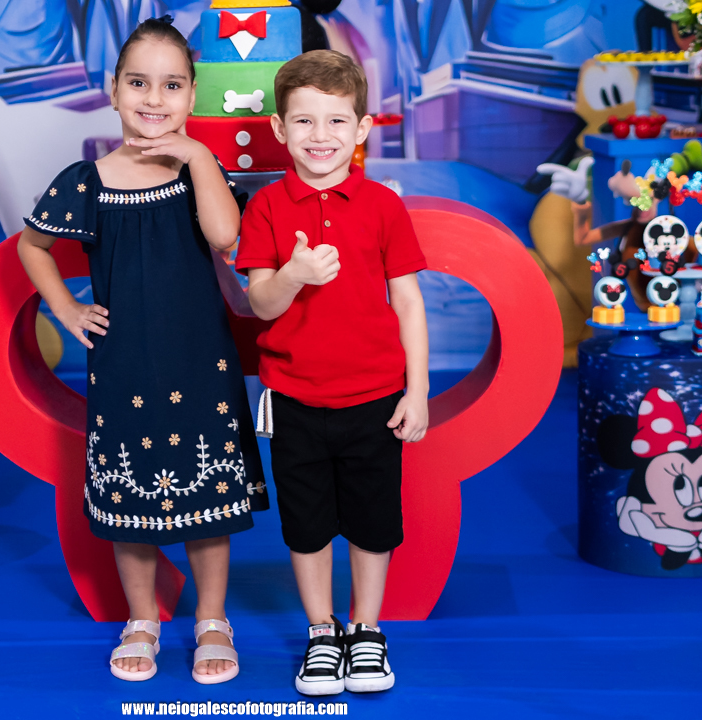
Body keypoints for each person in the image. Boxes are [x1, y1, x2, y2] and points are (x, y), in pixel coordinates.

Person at [17, 17, 268, 685]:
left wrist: (196, 157)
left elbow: (227, 237)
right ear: (113, 90)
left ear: (192, 95)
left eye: (172, 85)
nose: (154, 98)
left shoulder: (198, 172)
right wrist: (66, 307)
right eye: (138, 83)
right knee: (129, 503)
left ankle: (212, 619)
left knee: (209, 498)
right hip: (123, 363)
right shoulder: (87, 181)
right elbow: (33, 247)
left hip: (201, 359)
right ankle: (142, 619)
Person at [235, 50, 429, 696]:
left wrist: (419, 390)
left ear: (362, 128)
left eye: (337, 120)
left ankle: (366, 629)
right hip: (294, 399)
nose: (321, 136)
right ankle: (322, 631)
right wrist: (294, 275)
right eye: (305, 121)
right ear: (278, 128)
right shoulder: (266, 208)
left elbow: (408, 301)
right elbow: (259, 304)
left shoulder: (384, 206)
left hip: (376, 396)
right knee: (306, 523)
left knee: (374, 522)